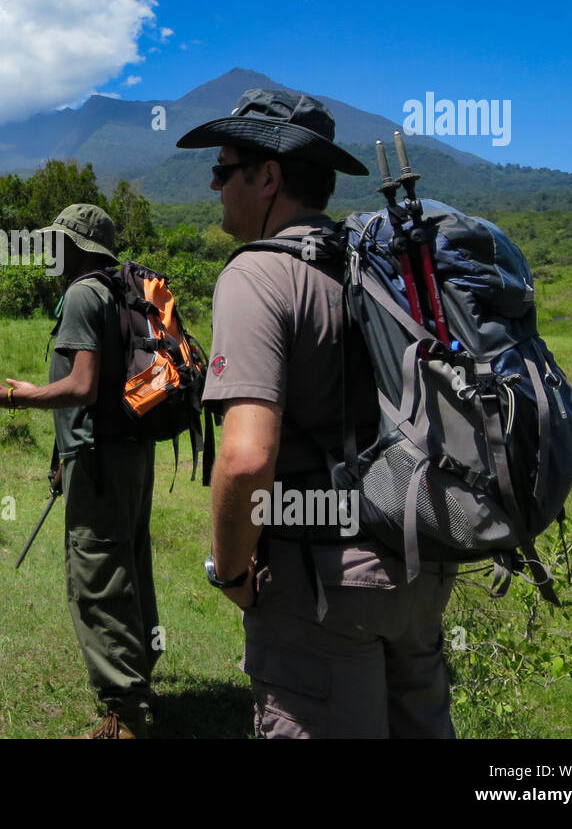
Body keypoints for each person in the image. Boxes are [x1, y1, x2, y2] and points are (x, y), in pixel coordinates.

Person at [177, 88, 457, 739]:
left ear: (267, 176)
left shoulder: (255, 276)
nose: (215, 186)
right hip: (420, 566)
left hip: (323, 585)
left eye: (223, 169)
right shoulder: (381, 265)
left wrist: (232, 570)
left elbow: (245, 459)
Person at [0, 204, 159, 739]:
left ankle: (126, 715)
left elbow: (82, 387)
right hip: (130, 453)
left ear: (77, 245)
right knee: (129, 562)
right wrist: (62, 456)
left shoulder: (81, 293)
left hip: (99, 459)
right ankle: (140, 675)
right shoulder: (121, 289)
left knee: (97, 578)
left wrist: (14, 399)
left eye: (56, 241)